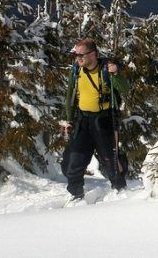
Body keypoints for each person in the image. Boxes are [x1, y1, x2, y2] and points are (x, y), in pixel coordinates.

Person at [60, 38, 130, 199]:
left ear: (93, 54)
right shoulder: (76, 71)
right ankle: (76, 195)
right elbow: (70, 95)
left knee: (110, 160)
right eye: (76, 55)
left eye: (81, 55)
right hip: (82, 120)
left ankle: (121, 193)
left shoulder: (106, 70)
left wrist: (116, 74)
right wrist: (69, 119)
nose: (78, 58)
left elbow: (125, 88)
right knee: (74, 160)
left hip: (103, 121)